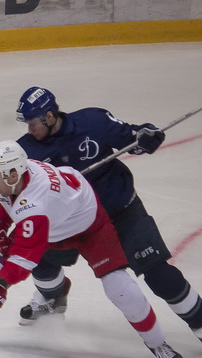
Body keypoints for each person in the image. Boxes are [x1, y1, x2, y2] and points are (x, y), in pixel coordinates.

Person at [0, 141, 184, 358]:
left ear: (12, 175)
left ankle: (158, 343)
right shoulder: (12, 177)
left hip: (91, 229)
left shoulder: (35, 203)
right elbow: (5, 203)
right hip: (55, 225)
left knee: (120, 287)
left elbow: (24, 257)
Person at [12, 86, 202, 339]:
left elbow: (134, 138)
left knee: (158, 272)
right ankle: (52, 297)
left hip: (119, 210)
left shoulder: (93, 121)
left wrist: (146, 137)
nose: (29, 129)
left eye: (32, 123)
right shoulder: (26, 151)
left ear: (48, 116)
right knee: (37, 257)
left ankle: (200, 323)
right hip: (71, 222)